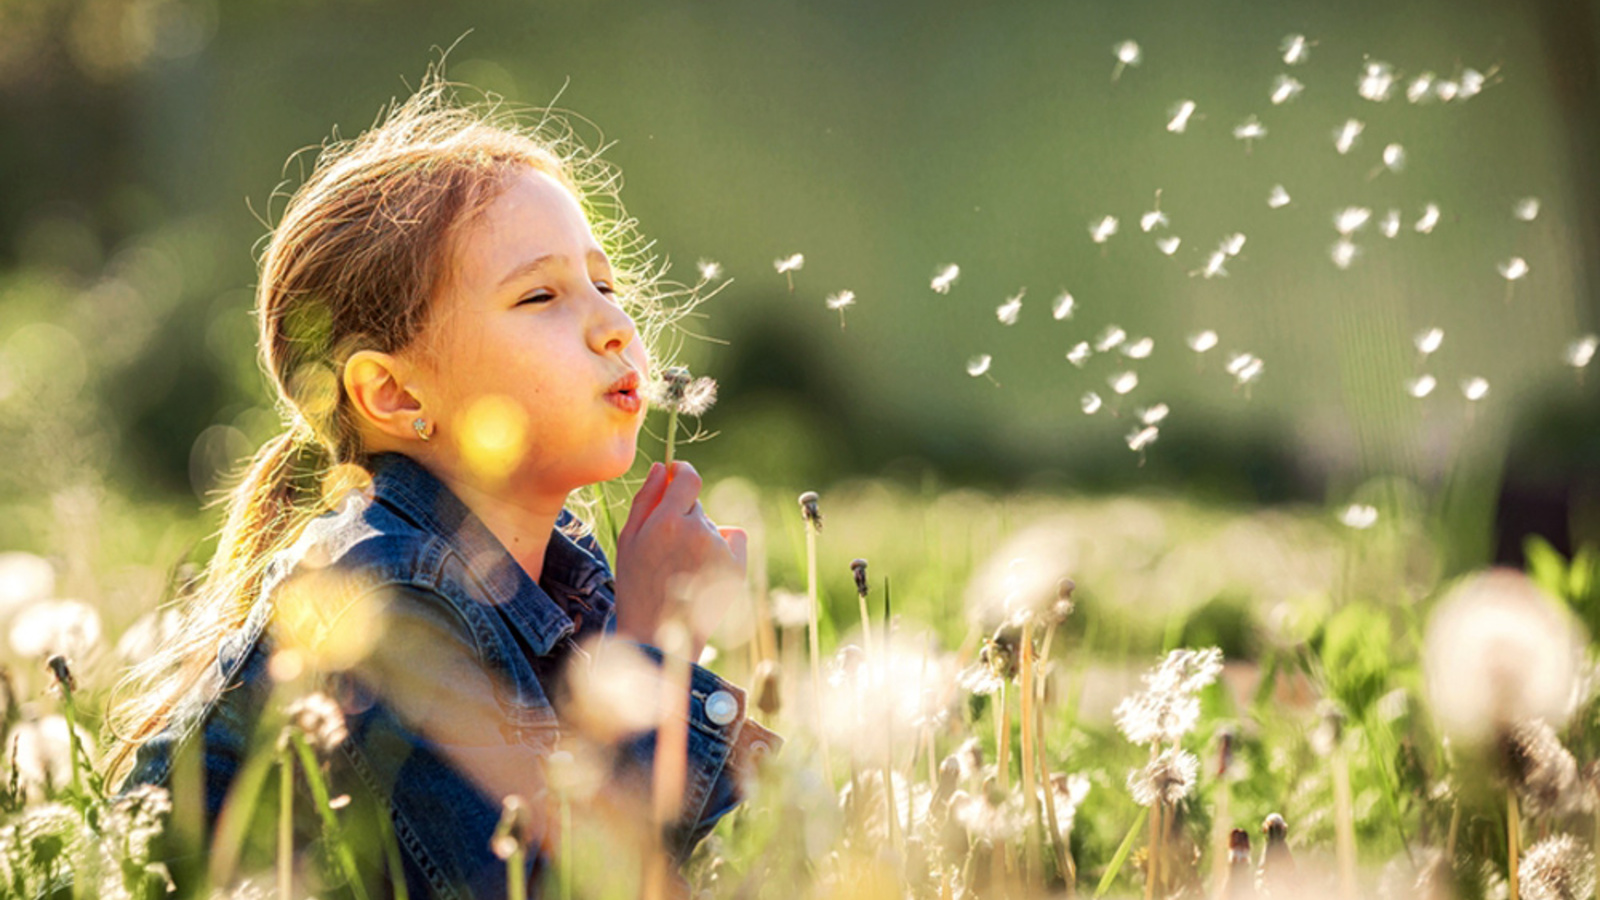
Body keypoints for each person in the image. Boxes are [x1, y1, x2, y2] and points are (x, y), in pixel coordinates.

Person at [104, 76, 777, 899]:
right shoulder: (382, 601)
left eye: (605, 284)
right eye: (541, 295)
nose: (616, 326)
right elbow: (563, 883)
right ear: (394, 395)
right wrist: (656, 648)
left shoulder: (555, 584)